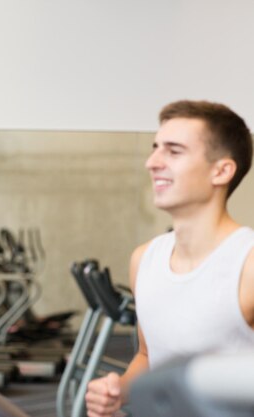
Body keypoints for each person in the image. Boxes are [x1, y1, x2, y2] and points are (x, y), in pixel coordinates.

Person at [85, 100, 254, 417]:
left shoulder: (247, 265)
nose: (152, 162)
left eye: (173, 151)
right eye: (155, 148)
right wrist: (118, 391)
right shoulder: (144, 259)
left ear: (221, 170)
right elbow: (149, 357)